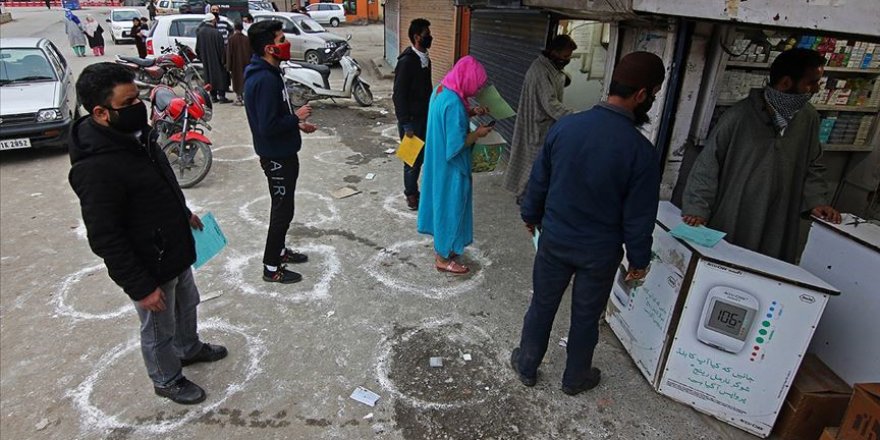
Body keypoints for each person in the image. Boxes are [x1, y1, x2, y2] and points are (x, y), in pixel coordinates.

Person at [68, 62, 228, 405]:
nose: (138, 108)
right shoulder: (95, 168)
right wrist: (141, 287)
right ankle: (166, 378)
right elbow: (105, 237)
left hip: (175, 247)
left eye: (137, 99)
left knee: (188, 303)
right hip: (149, 264)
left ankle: (189, 348)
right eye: (128, 104)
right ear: (100, 112)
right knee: (157, 327)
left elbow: (159, 186)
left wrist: (183, 213)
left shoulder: (139, 137)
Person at [511, 52, 666, 396]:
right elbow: (638, 217)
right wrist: (639, 259)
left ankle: (527, 364)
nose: (651, 101)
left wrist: (530, 216)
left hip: (555, 239)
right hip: (599, 252)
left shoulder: (566, 127)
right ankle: (575, 377)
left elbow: (539, 180)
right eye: (653, 94)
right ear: (641, 95)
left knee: (542, 303)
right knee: (586, 315)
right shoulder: (640, 151)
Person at [681, 48, 841, 263]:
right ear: (786, 83)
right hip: (736, 215)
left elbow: (813, 165)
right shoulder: (739, 117)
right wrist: (697, 208)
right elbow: (708, 165)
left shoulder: (808, 118)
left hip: (779, 218)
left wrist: (817, 201)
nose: (816, 89)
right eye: (811, 82)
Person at [244, 20, 318, 283]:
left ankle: (281, 251)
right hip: (276, 157)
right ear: (269, 48)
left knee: (286, 207)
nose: (285, 44)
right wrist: (294, 117)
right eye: (280, 40)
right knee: (282, 211)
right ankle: (271, 266)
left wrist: (297, 124)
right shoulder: (265, 79)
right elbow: (267, 125)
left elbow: (276, 116)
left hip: (284, 151)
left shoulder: (271, 73)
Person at [416, 56, 493, 275]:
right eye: (476, 85)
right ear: (467, 78)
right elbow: (457, 145)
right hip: (451, 167)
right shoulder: (455, 103)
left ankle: (444, 247)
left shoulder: (441, 89)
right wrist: (477, 133)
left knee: (440, 204)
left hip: (436, 161)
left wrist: (471, 112)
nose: (477, 90)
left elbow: (446, 118)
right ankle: (442, 258)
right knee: (450, 207)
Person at [504, 34, 577, 204]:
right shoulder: (540, 71)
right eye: (565, 56)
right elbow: (551, 105)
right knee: (532, 166)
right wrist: (576, 116)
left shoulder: (548, 68)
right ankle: (525, 200)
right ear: (554, 52)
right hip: (537, 126)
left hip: (540, 124)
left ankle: (527, 199)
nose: (567, 60)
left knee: (532, 164)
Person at [392, 18, 433, 211]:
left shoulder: (426, 59)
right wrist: (405, 123)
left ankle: (417, 191)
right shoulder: (407, 61)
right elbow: (398, 95)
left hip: (425, 118)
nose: (430, 38)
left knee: (423, 157)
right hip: (410, 121)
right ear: (417, 37)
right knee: (411, 160)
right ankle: (411, 194)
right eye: (426, 34)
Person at [196, 15, 231, 103]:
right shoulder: (216, 33)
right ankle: (222, 96)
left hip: (206, 60)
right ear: (213, 21)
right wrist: (224, 60)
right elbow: (221, 49)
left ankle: (213, 96)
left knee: (209, 77)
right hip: (217, 60)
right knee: (220, 77)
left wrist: (202, 58)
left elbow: (198, 48)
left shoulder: (200, 32)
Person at [226, 21, 252, 106]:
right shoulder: (246, 39)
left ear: (234, 28)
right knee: (245, 80)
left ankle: (239, 98)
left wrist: (229, 66)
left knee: (237, 81)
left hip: (235, 65)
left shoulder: (231, 39)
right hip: (246, 63)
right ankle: (246, 98)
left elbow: (229, 53)